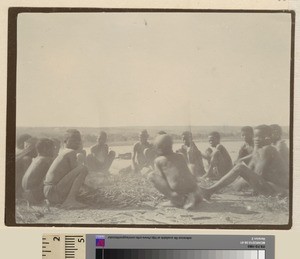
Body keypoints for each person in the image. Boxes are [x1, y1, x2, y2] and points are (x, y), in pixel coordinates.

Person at [200, 125, 289, 199]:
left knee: (240, 167)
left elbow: (258, 175)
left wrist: (233, 186)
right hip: (270, 187)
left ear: (268, 138)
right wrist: (230, 187)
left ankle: (209, 191)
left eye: (260, 137)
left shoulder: (268, 149)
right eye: (255, 136)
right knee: (240, 170)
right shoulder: (260, 150)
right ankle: (211, 190)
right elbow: (250, 172)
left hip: (277, 190)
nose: (256, 139)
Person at [148, 134, 202, 210]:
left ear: (159, 148)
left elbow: (162, 180)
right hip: (195, 191)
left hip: (179, 194)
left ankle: (175, 199)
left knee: (152, 175)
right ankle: (193, 196)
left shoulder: (158, 160)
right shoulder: (180, 156)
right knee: (191, 166)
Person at [43, 129, 88, 209]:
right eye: (74, 139)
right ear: (65, 141)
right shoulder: (71, 152)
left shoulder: (63, 151)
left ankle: (69, 199)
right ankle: (70, 201)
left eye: (79, 139)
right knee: (83, 169)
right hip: (54, 192)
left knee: (82, 169)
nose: (77, 141)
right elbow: (80, 175)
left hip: (48, 192)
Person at [22, 138, 55, 204]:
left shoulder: (36, 159)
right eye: (53, 148)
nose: (54, 150)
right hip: (35, 195)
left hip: (26, 194)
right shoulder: (47, 160)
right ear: (45, 149)